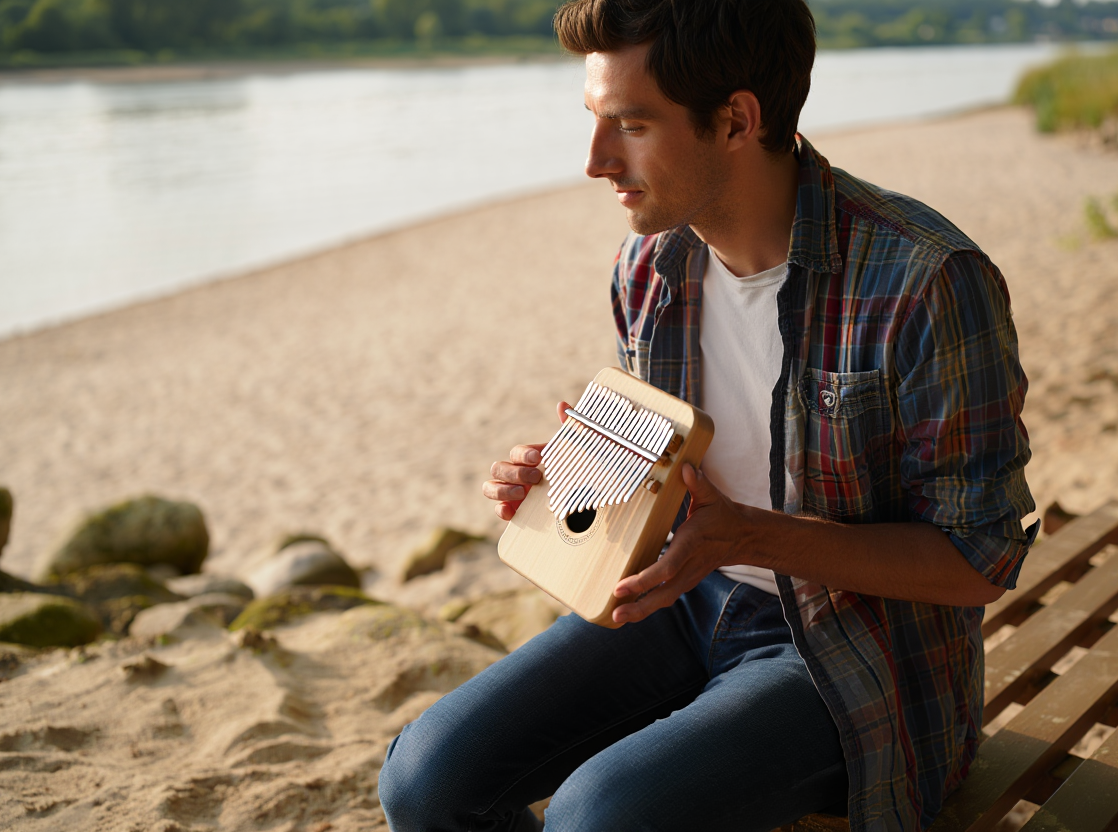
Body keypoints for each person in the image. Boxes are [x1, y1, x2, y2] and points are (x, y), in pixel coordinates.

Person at [378, 0, 1037, 829]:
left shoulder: (926, 281)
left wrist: (754, 538)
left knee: (598, 816)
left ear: (736, 120)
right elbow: (669, 485)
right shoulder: (649, 267)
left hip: (852, 650)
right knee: (423, 781)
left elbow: (981, 557)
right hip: (680, 602)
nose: (594, 160)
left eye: (631, 125)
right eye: (593, 120)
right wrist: (574, 479)